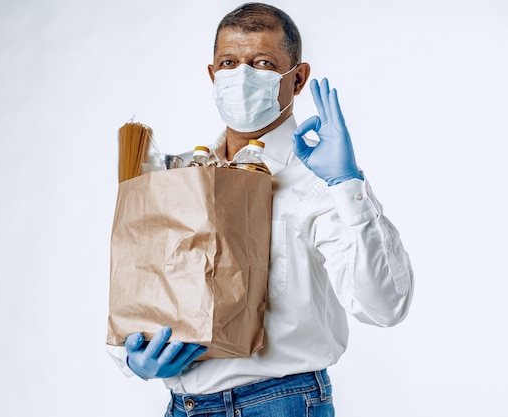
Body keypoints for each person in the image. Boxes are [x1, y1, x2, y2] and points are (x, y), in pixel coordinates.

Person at [107, 3, 414, 416]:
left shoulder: (319, 180)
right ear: (214, 76)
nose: (242, 76)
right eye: (229, 63)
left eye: (263, 63)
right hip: (183, 405)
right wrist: (130, 358)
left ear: (297, 78)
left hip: (280, 404)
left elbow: (385, 306)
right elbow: (134, 289)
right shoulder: (176, 178)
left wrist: (347, 183)